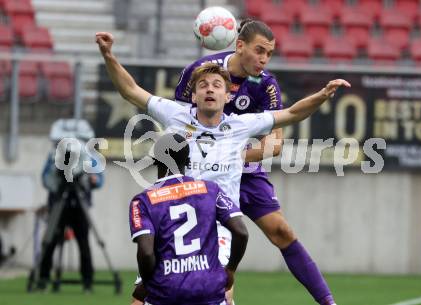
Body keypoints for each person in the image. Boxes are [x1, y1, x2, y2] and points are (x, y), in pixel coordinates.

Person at [96, 31, 349, 303]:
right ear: (193, 95)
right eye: (203, 85)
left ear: (227, 96)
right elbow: (130, 90)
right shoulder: (175, 114)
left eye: (217, 85)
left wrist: (322, 95)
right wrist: (108, 55)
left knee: (220, 293)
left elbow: (292, 114)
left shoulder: (241, 125)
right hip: (174, 225)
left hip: (217, 230)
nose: (209, 89)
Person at [173, 19, 339, 305]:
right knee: (196, 251)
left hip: (245, 172)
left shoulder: (266, 85)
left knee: (282, 231)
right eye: (259, 51)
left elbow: (275, 144)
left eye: (269, 54)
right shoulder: (201, 73)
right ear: (239, 46)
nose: (264, 59)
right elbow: (179, 126)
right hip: (202, 176)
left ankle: (328, 301)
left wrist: (236, 155)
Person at [129, 133, 248, 305]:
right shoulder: (211, 190)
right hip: (209, 289)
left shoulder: (143, 201)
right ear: (188, 161)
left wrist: (147, 284)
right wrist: (230, 269)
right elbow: (241, 233)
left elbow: (147, 252)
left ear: (155, 161)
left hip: (166, 291)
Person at [37, 145, 103, 292]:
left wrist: (93, 180)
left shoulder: (87, 156)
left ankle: (87, 280)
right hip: (60, 203)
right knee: (49, 242)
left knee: (84, 244)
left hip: (79, 206)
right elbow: (47, 178)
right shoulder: (54, 155)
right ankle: (43, 278)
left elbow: (99, 180)